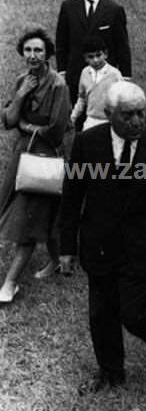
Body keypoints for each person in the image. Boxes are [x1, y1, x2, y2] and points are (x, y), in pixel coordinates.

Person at [59, 81, 146, 393]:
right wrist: (67, 248)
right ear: (108, 114)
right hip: (99, 244)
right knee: (101, 313)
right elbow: (72, 197)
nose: (136, 122)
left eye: (141, 114)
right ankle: (110, 372)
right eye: (128, 115)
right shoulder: (87, 143)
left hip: (143, 246)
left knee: (134, 312)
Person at [0, 28, 71, 303]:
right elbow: (8, 120)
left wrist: (26, 125)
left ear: (47, 53)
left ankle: (10, 282)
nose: (33, 56)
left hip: (44, 158)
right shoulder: (22, 80)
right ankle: (58, 261)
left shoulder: (58, 85)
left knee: (28, 218)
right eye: (28, 50)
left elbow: (56, 128)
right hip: (23, 155)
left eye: (38, 50)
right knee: (44, 214)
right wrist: (21, 95)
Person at [55, 0, 132, 106]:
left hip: (105, 77)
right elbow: (61, 42)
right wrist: (62, 71)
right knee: (78, 116)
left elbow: (122, 45)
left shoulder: (114, 10)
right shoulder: (68, 7)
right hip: (76, 74)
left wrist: (126, 76)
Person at [70, 37, 123, 131]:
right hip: (91, 120)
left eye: (98, 55)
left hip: (109, 121)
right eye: (91, 57)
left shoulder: (115, 74)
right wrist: (73, 117)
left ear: (105, 54)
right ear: (85, 58)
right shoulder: (85, 73)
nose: (95, 60)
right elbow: (82, 98)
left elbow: (122, 100)